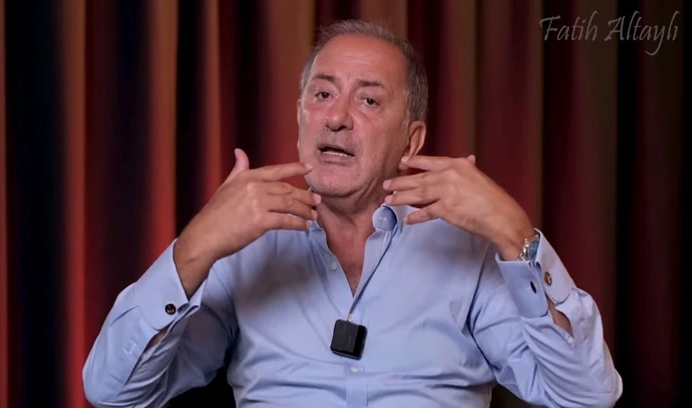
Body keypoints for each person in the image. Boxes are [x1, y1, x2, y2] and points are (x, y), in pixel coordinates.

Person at [83, 19, 622, 408]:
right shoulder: (245, 246)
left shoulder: (466, 251)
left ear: (411, 140)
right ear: (300, 119)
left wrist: (516, 234)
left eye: (368, 101)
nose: (336, 117)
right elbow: (113, 391)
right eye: (322, 94)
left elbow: (586, 395)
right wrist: (195, 248)